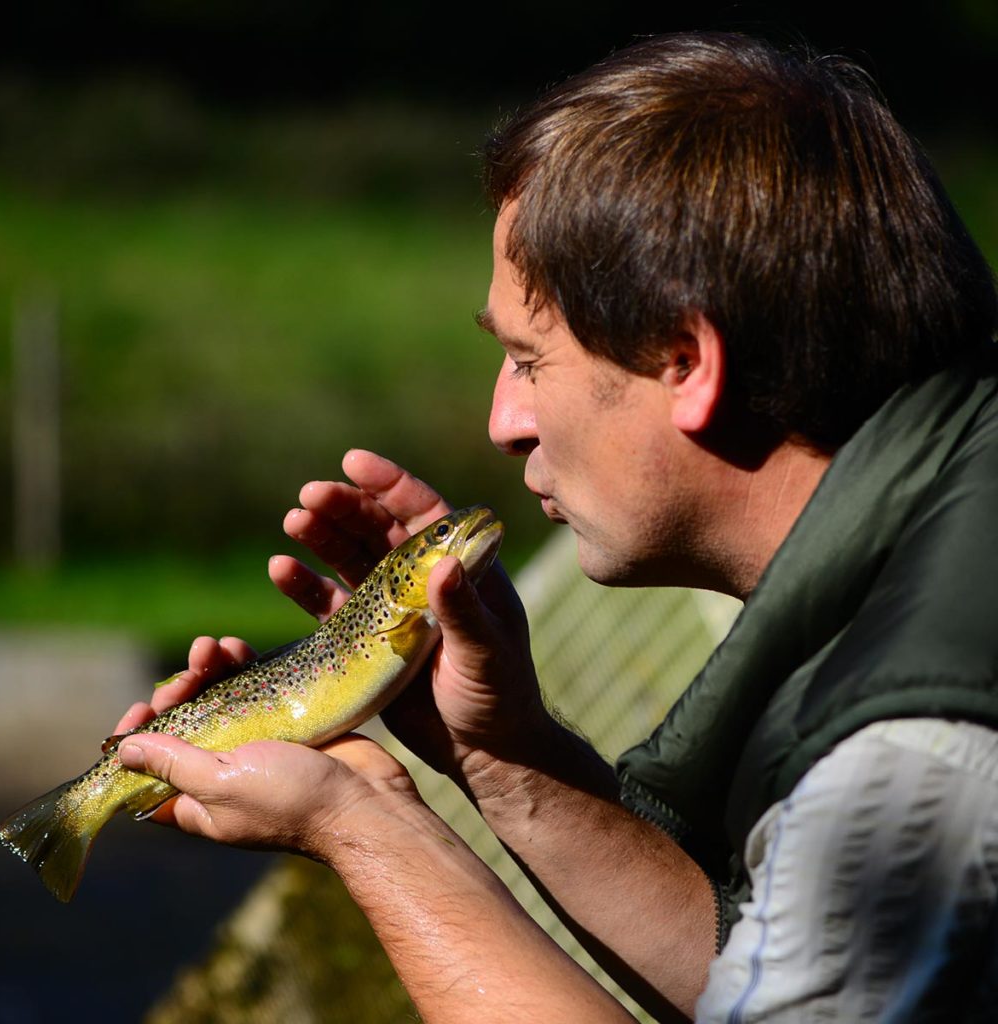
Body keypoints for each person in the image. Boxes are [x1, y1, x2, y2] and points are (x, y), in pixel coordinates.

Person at [114, 32, 998, 1023]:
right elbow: (754, 968)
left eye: (529, 362)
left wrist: (363, 823)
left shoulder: (919, 747)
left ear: (683, 361)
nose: (502, 423)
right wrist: (494, 751)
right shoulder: (936, 559)